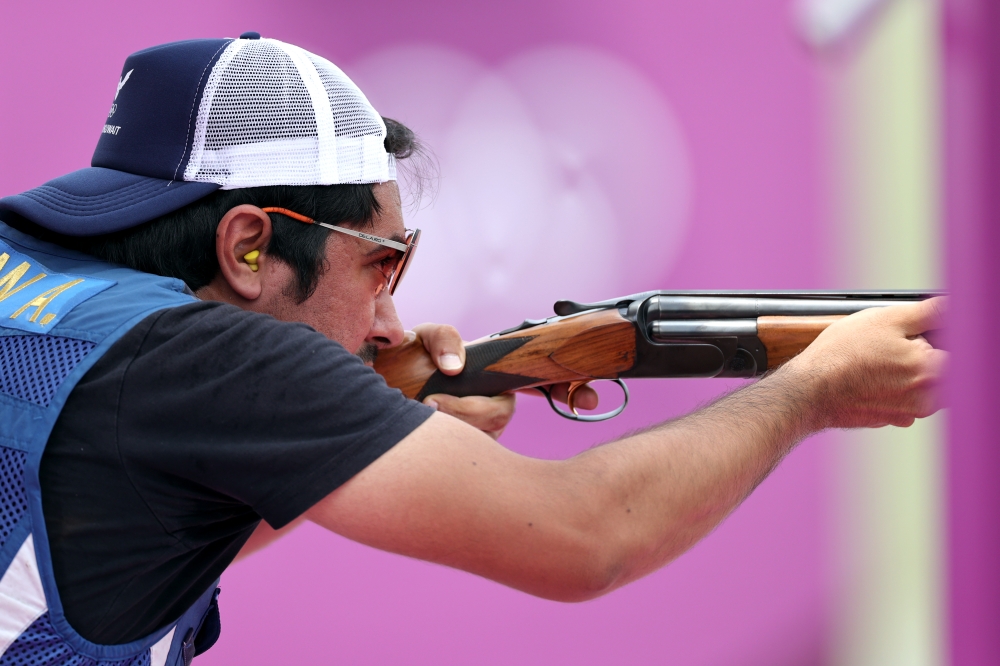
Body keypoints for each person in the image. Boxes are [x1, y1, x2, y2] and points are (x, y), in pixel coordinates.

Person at [0, 34, 944, 664]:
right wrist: (814, 391)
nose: (388, 324)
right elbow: (587, 539)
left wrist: (366, 430)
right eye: (381, 263)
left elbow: (118, 532)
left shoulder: (41, 288)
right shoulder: (209, 358)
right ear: (248, 248)